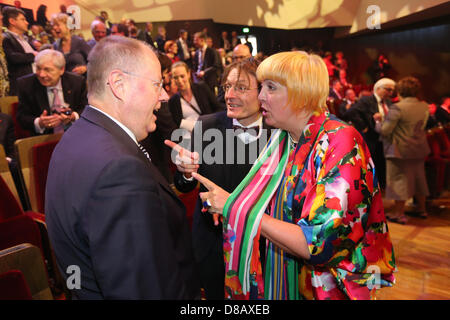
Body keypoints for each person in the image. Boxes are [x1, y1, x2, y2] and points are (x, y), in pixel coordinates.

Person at [191, 51, 396, 300]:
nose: (261, 96)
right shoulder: (285, 139)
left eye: (270, 87)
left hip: (334, 287)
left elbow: (318, 243)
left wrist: (234, 207)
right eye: (261, 87)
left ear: (300, 93)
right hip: (292, 280)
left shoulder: (340, 142)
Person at [45, 36, 200, 299]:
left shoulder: (77, 136)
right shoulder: (119, 170)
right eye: (157, 85)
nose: (163, 96)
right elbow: (140, 288)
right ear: (119, 85)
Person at [167, 58, 272, 299]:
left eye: (241, 88)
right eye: (227, 87)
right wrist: (185, 172)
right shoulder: (205, 126)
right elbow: (184, 186)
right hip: (214, 246)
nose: (230, 95)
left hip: (265, 247)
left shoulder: (279, 131)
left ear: (264, 90)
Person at [375, 77, 430, 224]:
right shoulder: (424, 106)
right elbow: (423, 126)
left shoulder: (397, 108)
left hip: (399, 150)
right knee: (419, 180)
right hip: (419, 149)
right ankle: (422, 209)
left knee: (398, 181)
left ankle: (398, 213)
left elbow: (385, 131)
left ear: (400, 91)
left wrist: (378, 121)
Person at [16, 49, 87, 135]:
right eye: (38, 68)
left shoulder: (77, 82)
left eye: (47, 70)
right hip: (43, 138)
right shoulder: (26, 84)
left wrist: (73, 116)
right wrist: (40, 122)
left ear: (61, 70)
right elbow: (22, 117)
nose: (41, 74)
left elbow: (86, 108)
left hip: (76, 134)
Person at [345, 78, 396, 190]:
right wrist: (364, 127)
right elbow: (351, 112)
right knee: (373, 164)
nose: (391, 93)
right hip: (371, 138)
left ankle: (382, 187)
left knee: (383, 164)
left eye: (392, 90)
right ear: (378, 89)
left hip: (386, 138)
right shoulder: (367, 100)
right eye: (388, 90)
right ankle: (373, 189)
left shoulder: (388, 102)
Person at [168, 61, 224, 141]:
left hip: (210, 133)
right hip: (190, 139)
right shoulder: (173, 101)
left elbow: (218, 108)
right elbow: (176, 124)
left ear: (188, 74)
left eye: (182, 76)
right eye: (176, 77)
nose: (180, 81)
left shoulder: (201, 88)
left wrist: (210, 122)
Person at [2, 6, 37, 95]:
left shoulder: (26, 39)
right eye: (23, 19)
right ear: (12, 21)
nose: (27, 22)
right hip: (20, 87)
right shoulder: (6, 38)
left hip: (33, 84)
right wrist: (34, 55)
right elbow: (13, 57)